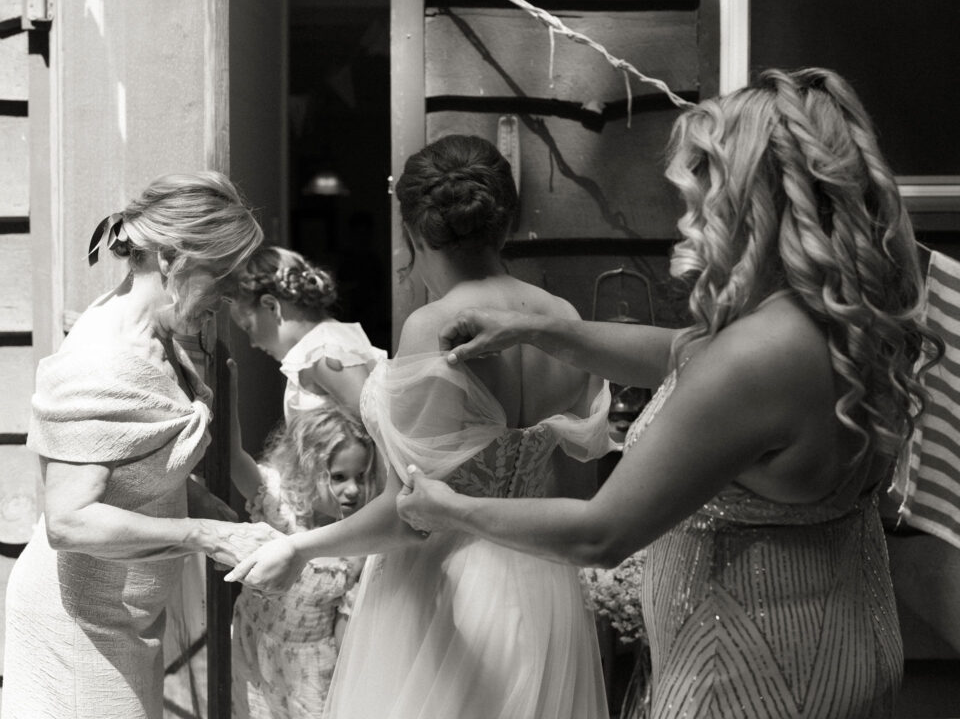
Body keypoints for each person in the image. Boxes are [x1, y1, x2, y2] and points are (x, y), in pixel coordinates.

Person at [396, 69, 943, 719]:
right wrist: (541, 329)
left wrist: (448, 507)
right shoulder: (832, 319)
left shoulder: (757, 355)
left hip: (751, 677)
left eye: (695, 197)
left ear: (745, 198)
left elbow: (600, 534)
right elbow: (680, 354)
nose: (685, 222)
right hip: (843, 644)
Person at [226, 134, 615, 719]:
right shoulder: (562, 319)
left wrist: (300, 548)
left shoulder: (435, 326)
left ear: (412, 229)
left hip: (447, 591)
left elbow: (408, 515)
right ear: (505, 222)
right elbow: (579, 493)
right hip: (545, 589)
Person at [2, 172, 280, 719]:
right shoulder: (98, 361)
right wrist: (203, 533)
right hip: (79, 628)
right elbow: (68, 521)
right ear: (172, 258)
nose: (227, 297)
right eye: (221, 277)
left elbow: (138, 465)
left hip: (127, 618)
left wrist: (232, 522)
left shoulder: (160, 335)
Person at [230, 405, 378, 719]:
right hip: (255, 647)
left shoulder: (356, 544)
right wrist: (228, 392)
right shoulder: (280, 511)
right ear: (307, 468)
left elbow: (345, 624)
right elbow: (233, 458)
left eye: (361, 477)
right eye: (339, 477)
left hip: (311, 671)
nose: (353, 490)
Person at [227, 246, 386, 425]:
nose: (253, 343)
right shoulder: (318, 348)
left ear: (271, 305)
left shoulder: (324, 352)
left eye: (248, 327)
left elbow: (377, 429)